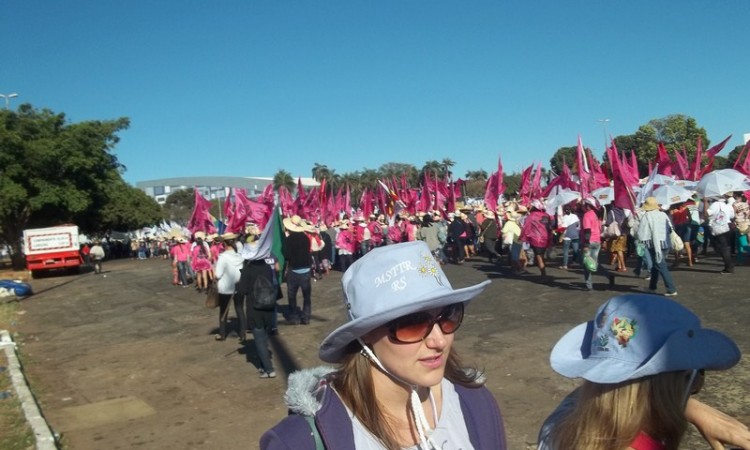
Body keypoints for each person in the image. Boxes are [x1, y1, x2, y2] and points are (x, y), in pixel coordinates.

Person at [260, 241, 506, 449]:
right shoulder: (297, 442)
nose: (439, 340)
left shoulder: (476, 404)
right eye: (412, 323)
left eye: (449, 316)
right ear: (365, 334)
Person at [537, 293, 748, 450]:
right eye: (697, 376)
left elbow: (603, 395)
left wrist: (691, 408)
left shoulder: (557, 431)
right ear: (680, 381)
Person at [637, 197, 678, 296]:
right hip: (665, 243)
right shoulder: (663, 214)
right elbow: (669, 228)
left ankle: (671, 289)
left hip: (654, 244)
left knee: (661, 265)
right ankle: (652, 287)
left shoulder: (647, 216)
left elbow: (642, 232)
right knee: (657, 266)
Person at [283, 215, 313, 325]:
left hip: (294, 269)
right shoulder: (306, 238)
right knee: (306, 296)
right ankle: (306, 317)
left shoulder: (288, 240)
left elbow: (287, 255)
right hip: (305, 269)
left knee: (292, 295)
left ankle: (294, 317)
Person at [213, 232, 243, 341]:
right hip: (238, 286)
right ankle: (242, 334)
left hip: (225, 288)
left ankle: (222, 334)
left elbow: (217, 274)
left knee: (223, 311)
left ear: (224, 243)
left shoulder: (223, 257)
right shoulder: (240, 255)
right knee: (240, 310)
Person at [520, 199, 553, 279]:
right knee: (541, 257)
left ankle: (543, 275)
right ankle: (543, 273)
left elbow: (526, 227)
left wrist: (523, 236)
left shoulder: (532, 215)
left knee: (539, 257)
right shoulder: (546, 215)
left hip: (536, 239)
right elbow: (550, 227)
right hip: (546, 238)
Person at [707, 195, 736, 274]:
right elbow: (732, 216)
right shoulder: (727, 205)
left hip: (719, 228)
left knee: (723, 249)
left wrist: (705, 202)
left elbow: (707, 214)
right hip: (727, 227)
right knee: (726, 247)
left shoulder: (715, 205)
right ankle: (729, 266)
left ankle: (729, 267)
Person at [580, 197, 602, 291]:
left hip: (589, 242)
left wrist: (585, 245)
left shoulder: (587, 215)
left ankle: (589, 285)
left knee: (587, 265)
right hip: (597, 241)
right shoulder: (595, 214)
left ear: (587, 205)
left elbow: (587, 231)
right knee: (594, 264)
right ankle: (608, 275)